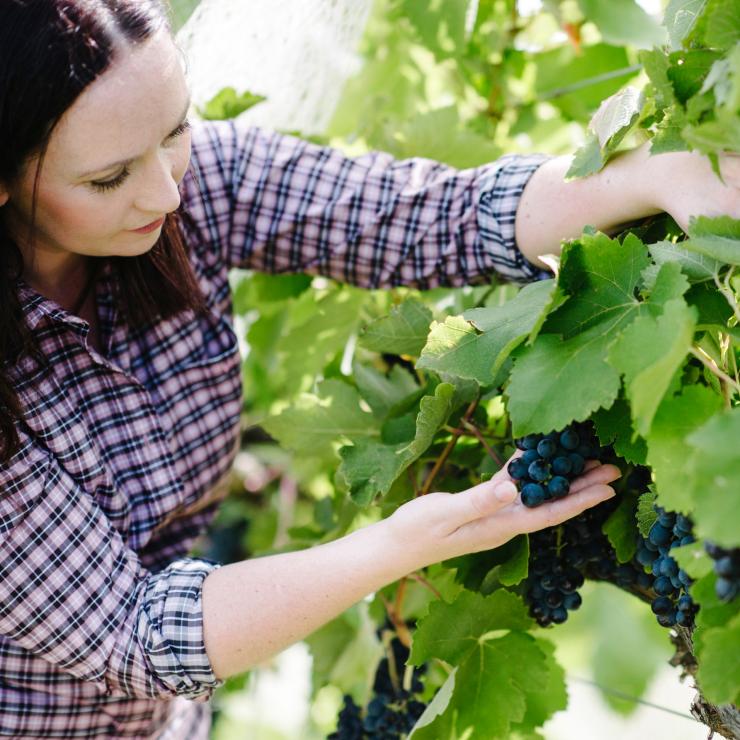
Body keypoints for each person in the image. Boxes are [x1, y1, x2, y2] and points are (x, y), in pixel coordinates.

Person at [0, 1, 737, 738]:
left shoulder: (197, 187)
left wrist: (656, 177)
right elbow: (133, 630)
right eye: (108, 178)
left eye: (175, 133)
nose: (166, 191)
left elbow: (420, 216)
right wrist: (400, 543)